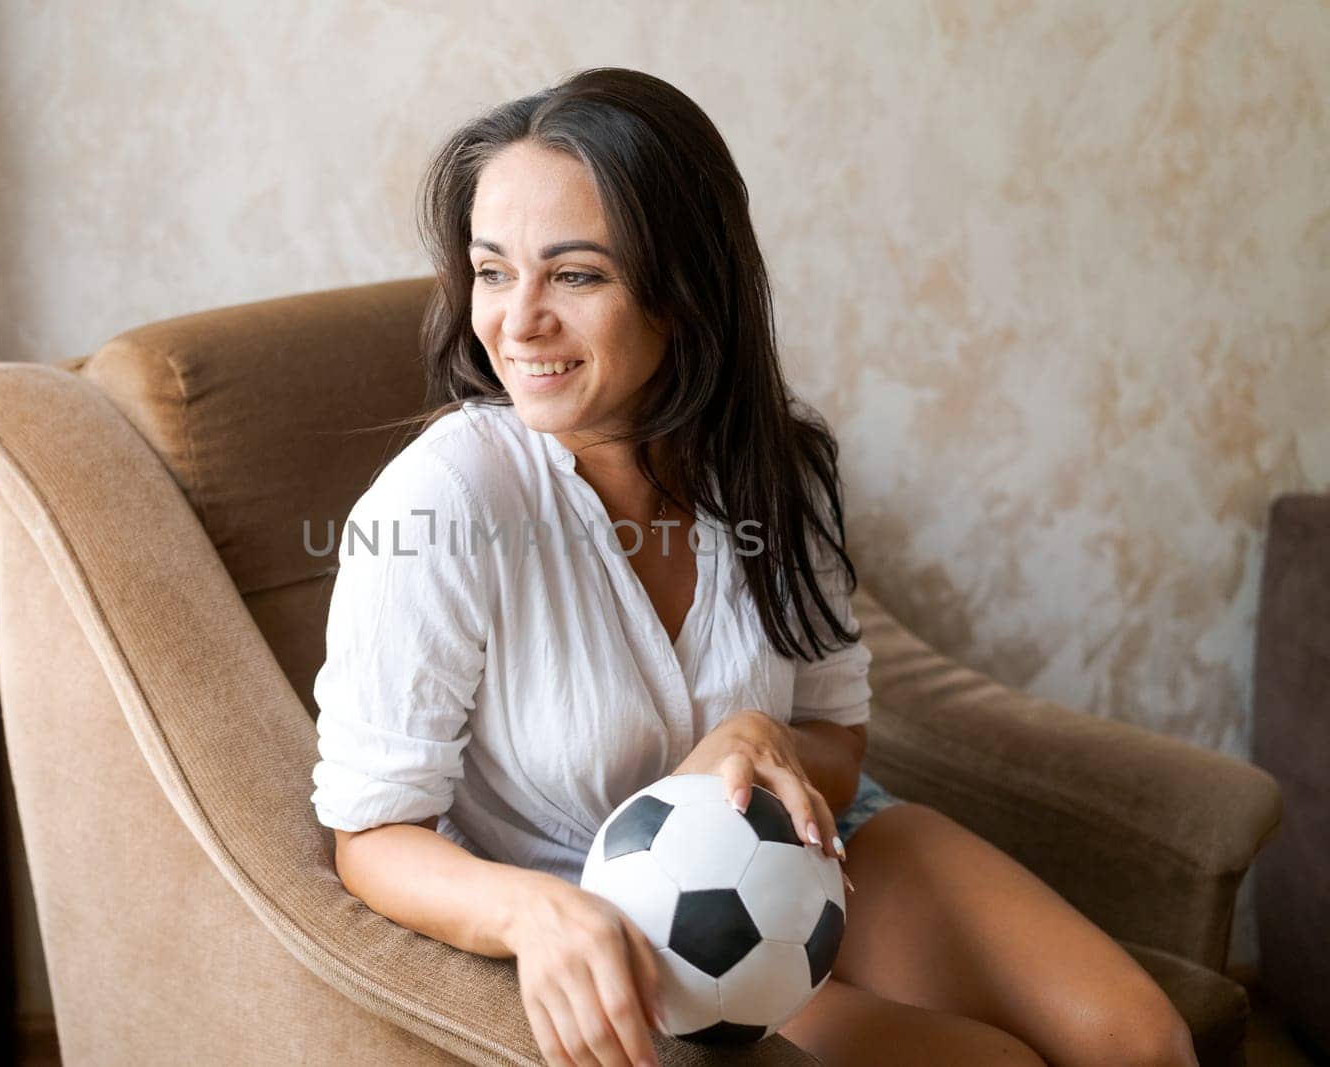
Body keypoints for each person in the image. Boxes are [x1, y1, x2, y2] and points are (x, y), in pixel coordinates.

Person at [310, 67, 1198, 1067]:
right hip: (647, 925)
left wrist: (753, 735)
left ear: (685, 292)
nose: (518, 323)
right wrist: (533, 915)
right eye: (492, 270)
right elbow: (371, 831)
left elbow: (837, 736)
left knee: (1144, 1042)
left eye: (576, 274)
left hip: (819, 845)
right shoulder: (444, 501)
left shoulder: (773, 463)